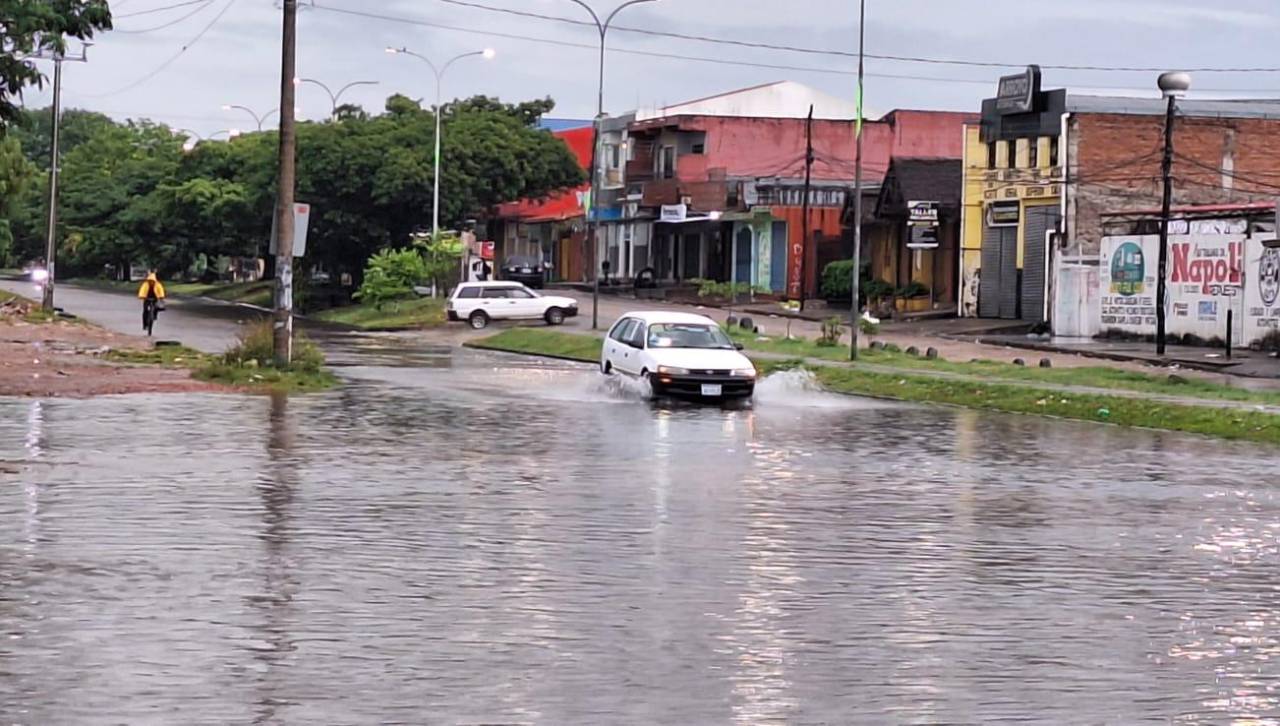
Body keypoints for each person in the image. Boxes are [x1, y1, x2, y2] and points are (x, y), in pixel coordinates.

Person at [137, 271, 166, 335]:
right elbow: (142, 291)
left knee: (156, 307)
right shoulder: (145, 285)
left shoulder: (158, 285)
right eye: (150, 281)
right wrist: (141, 296)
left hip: (155, 299)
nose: (151, 282)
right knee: (145, 310)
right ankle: (145, 325)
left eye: (152, 281)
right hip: (147, 299)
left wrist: (161, 297)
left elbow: (161, 291)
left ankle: (154, 316)